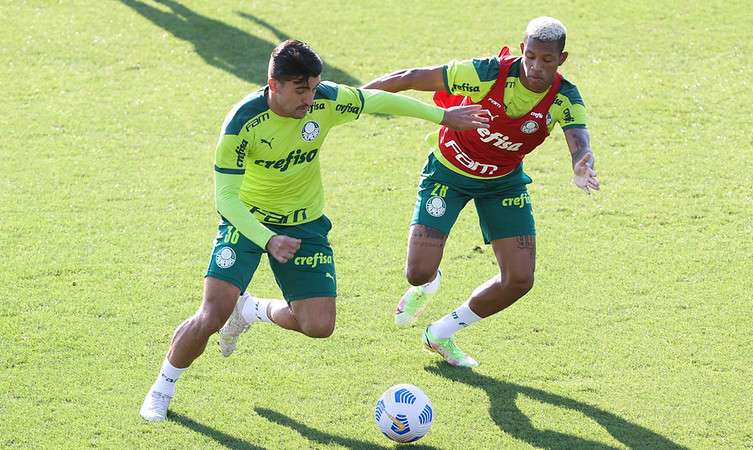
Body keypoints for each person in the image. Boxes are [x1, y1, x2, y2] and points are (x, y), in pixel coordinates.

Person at [139, 39, 489, 421]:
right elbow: (226, 200)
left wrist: (444, 117)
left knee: (318, 325)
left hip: (304, 224)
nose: (309, 98)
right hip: (249, 222)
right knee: (210, 315)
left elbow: (379, 101)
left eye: (314, 87)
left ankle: (251, 310)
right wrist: (267, 239)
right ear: (273, 85)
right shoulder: (243, 124)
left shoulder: (325, 100)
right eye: (300, 89)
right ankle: (162, 389)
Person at [362, 17, 599, 367]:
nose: (536, 66)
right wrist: (351, 100)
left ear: (561, 59)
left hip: (502, 183)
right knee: (417, 273)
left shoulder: (565, 98)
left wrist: (582, 164)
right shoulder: (487, 73)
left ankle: (441, 333)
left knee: (519, 279)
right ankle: (428, 285)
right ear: (522, 50)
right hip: (448, 172)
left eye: (546, 60)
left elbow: (579, 140)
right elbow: (411, 77)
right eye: (530, 56)